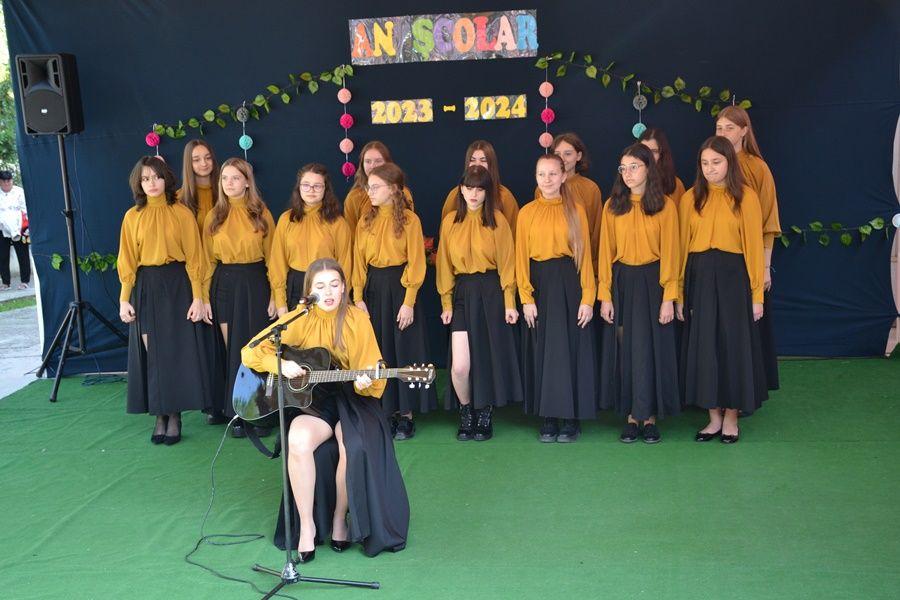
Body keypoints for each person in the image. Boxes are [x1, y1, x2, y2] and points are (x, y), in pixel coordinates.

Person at [241, 258, 409, 560]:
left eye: (334, 284)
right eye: (320, 286)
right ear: (310, 291)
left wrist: (364, 382)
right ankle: (307, 525)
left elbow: (373, 369)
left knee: (350, 442)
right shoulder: (299, 318)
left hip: (353, 397)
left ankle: (338, 518)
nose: (329, 292)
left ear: (344, 287)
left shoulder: (357, 319)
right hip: (315, 400)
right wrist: (279, 365)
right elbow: (249, 351)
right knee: (297, 439)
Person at [677, 136, 767, 444]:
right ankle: (713, 416)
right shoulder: (689, 199)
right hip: (699, 275)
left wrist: (757, 295)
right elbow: (681, 247)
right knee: (704, 344)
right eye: (704, 163)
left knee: (732, 344)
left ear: (730, 162)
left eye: (716, 162)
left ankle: (731, 416)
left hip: (733, 277)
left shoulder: (746, 197)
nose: (710, 168)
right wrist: (679, 292)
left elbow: (753, 247)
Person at [117, 156, 211, 444]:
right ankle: (160, 414)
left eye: (156, 177)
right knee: (153, 353)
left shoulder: (181, 212)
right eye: (145, 179)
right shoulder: (132, 216)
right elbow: (127, 259)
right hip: (146, 286)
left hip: (178, 285)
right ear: (138, 183)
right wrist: (124, 299)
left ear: (166, 179)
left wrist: (198, 297)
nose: (152, 183)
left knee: (174, 352)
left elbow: (195, 257)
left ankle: (175, 415)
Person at [597, 144, 680, 443]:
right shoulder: (612, 206)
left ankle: (650, 416)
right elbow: (605, 253)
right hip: (622, 281)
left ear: (648, 168)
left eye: (634, 167)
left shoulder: (665, 206)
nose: (628, 174)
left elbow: (672, 253)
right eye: (623, 168)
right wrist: (605, 295)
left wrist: (669, 296)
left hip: (653, 281)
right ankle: (632, 415)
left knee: (650, 349)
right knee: (626, 350)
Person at [436, 165, 522, 441]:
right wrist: (446, 303)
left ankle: (484, 412)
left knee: (485, 358)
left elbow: (508, 263)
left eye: (480, 189)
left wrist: (510, 302)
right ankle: (466, 410)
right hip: (462, 292)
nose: (473, 194)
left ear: (487, 192)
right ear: (461, 190)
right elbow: (444, 264)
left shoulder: (498, 221)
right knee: (460, 365)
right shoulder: (450, 222)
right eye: (469, 188)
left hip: (492, 291)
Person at [352, 163, 436, 439]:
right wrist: (358, 297)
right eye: (368, 187)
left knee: (404, 347)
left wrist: (408, 301)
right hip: (373, 289)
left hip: (400, 288)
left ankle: (406, 414)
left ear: (393, 189)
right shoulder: (365, 220)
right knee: (380, 349)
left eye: (376, 187)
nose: (370, 192)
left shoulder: (410, 220)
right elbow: (358, 262)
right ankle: (385, 411)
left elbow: (416, 262)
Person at [517, 153, 597, 442]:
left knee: (569, 350)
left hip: (568, 283)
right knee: (544, 351)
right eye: (542, 174)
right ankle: (548, 416)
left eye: (553, 174)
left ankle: (571, 417)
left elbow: (584, 257)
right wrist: (526, 298)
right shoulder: (526, 213)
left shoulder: (576, 210)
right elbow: (520, 259)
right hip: (539, 284)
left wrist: (588, 297)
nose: (547, 179)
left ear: (564, 176)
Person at [202, 157, 276, 438]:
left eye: (235, 178)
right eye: (224, 178)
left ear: (247, 182)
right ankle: (237, 412)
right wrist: (204, 297)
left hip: (255, 283)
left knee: (257, 349)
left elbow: (274, 259)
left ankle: (260, 413)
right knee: (233, 349)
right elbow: (207, 261)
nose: (229, 183)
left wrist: (275, 295)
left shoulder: (261, 213)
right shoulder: (214, 216)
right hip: (224, 284)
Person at [715, 106, 782, 390]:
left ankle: (747, 390)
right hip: (721, 263)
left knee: (747, 329)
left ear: (744, 130)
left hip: (749, 260)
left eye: (729, 127)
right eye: (719, 128)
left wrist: (764, 267)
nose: (723, 133)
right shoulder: (713, 164)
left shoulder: (757, 168)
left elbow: (768, 223)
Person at [269, 163, 352, 316]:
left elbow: (345, 264)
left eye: (317, 186)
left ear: (325, 189)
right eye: (306, 185)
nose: (311, 190)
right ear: (299, 188)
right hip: (295, 288)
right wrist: (280, 301)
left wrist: (340, 297)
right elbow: (277, 263)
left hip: (327, 288)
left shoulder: (338, 223)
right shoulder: (286, 219)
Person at [534, 133, 603, 266]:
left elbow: (596, 230)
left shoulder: (590, 188)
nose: (562, 158)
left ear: (579, 156)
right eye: (557, 154)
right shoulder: (542, 189)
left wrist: (593, 265)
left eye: (568, 154)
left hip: (582, 259)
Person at [439, 140, 519, 234]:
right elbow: (445, 232)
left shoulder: (505, 196)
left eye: (483, 160)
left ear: (491, 164)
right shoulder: (455, 195)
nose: (477, 164)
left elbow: (513, 234)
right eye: (472, 160)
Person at [343, 141, 414, 236]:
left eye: (378, 161)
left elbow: (409, 229)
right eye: (368, 161)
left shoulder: (402, 193)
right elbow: (351, 235)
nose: (373, 166)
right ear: (362, 165)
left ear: (387, 163)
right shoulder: (353, 197)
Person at [177, 139, 219, 231]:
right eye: (196, 160)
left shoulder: (226, 193)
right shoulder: (178, 198)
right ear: (189, 163)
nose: (204, 163)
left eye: (208, 158)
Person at [639, 128, 686, 204]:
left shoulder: (676, 184)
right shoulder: (629, 180)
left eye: (654, 151)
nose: (648, 155)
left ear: (662, 154)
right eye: (644, 150)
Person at [0, 170, 30, 290]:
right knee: (2, 255)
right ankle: (5, 282)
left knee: (23, 254)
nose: (7, 184)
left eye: (9, 181)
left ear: (12, 180)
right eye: (4, 181)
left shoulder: (19, 191)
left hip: (20, 227)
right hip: (2, 228)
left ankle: (25, 281)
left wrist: (25, 227)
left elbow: (25, 209)